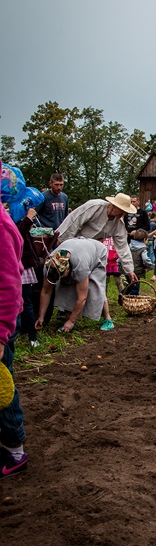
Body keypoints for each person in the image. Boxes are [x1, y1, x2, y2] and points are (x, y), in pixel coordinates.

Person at [0, 194, 28, 478]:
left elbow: (9, 284)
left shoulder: (1, 226)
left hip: (2, 320)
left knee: (2, 384)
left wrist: (1, 334)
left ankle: (14, 448)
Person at [56, 193, 138, 284]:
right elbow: (74, 221)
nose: (123, 214)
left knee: (84, 278)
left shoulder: (119, 224)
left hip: (91, 252)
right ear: (114, 206)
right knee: (61, 272)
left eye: (125, 211)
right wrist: (62, 242)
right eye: (122, 210)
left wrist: (129, 270)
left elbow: (123, 247)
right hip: (72, 243)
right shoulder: (95, 207)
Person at [36, 239, 116, 332]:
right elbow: (46, 291)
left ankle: (107, 319)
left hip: (96, 251)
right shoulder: (50, 265)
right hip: (77, 247)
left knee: (95, 287)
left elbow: (82, 298)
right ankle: (68, 320)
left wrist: (71, 321)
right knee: (64, 286)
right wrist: (41, 316)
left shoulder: (80, 266)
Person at [16, 207, 40, 347]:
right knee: (17, 302)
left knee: (26, 302)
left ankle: (32, 337)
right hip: (14, 265)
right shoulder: (9, 217)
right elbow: (17, 234)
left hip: (23, 264)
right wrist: (28, 218)